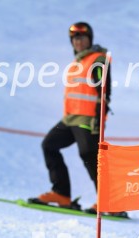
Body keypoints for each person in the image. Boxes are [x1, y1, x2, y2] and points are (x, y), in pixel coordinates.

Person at [30, 22, 125, 216]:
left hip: (88, 119)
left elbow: (104, 91)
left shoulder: (97, 59)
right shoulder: (78, 62)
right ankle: (61, 194)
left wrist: (99, 116)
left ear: (90, 39)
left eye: (82, 38)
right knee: (49, 145)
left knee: (90, 155)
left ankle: (110, 203)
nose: (78, 42)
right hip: (70, 119)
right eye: (74, 39)